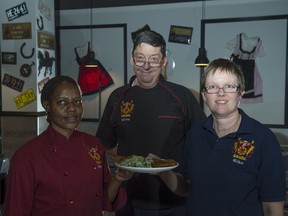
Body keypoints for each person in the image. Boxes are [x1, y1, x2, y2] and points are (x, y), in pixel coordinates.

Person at [96, 30, 206, 216]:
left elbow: (203, 141)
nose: (146, 65)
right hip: (128, 200)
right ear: (132, 59)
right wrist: (131, 160)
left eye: (154, 59)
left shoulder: (182, 96)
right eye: (140, 58)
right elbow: (104, 143)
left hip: (174, 201)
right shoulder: (117, 97)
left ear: (163, 61)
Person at [158, 58, 286, 216]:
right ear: (204, 95)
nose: (221, 93)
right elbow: (187, 188)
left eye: (229, 86)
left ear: (240, 94)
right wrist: (161, 171)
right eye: (213, 87)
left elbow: (272, 208)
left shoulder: (264, 140)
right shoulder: (195, 134)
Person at [3, 75, 133, 216]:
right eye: (62, 102)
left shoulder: (93, 144)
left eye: (77, 101)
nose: (72, 108)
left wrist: (118, 179)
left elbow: (104, 200)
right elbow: (15, 211)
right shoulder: (27, 157)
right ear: (47, 105)